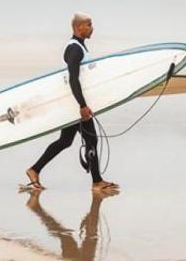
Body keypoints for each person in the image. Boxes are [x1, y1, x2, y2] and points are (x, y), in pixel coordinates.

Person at [24, 13, 119, 192]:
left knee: (65, 141)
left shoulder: (79, 47)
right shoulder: (74, 49)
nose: (92, 28)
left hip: (72, 103)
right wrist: (82, 105)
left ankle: (34, 169)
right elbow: (73, 79)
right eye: (89, 24)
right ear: (78, 27)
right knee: (91, 139)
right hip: (75, 104)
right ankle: (97, 181)